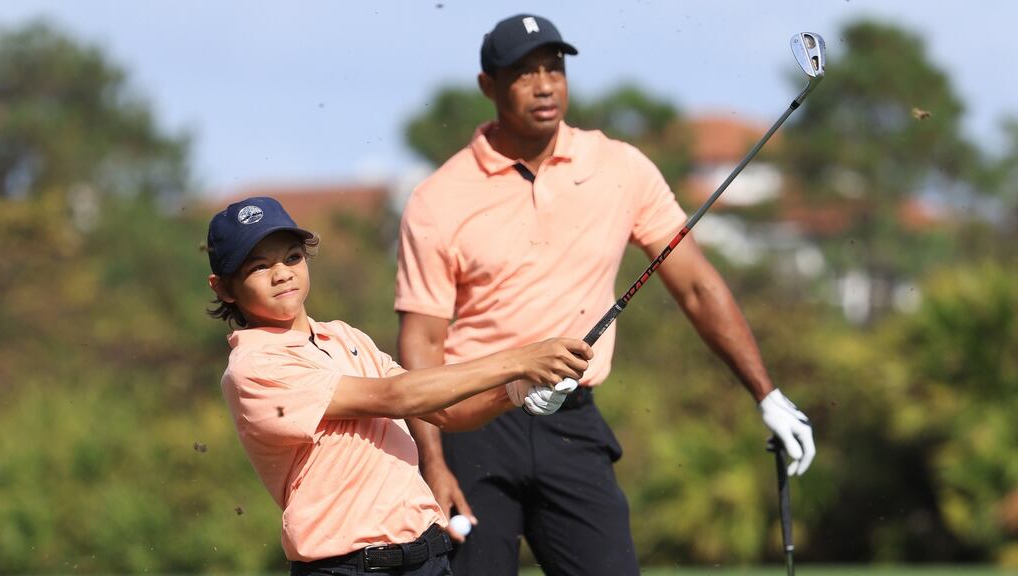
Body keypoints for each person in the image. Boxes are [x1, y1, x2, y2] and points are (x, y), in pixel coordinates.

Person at [394, 14, 816, 576]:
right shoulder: (439, 198)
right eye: (523, 73)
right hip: (475, 425)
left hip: (572, 421)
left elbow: (696, 285)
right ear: (488, 85)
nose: (545, 86)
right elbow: (422, 344)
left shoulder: (620, 168)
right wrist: (431, 460)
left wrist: (765, 392)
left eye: (554, 68)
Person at [205, 196, 593, 576]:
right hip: (345, 568)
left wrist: (514, 390)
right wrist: (520, 360)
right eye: (259, 267)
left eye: (292, 257)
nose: (282, 274)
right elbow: (397, 397)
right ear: (223, 288)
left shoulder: (344, 336)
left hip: (427, 557)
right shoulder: (254, 365)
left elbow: (444, 411)